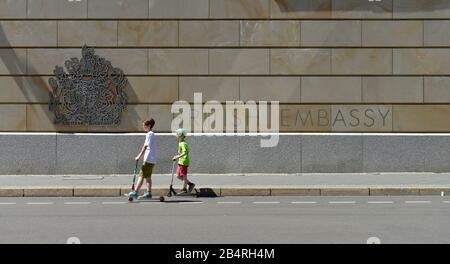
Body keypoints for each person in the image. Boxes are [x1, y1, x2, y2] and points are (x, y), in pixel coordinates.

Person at [128, 119, 156, 200]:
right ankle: (148, 193)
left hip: (148, 159)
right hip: (152, 159)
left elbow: (145, 146)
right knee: (148, 177)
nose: (143, 127)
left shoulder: (149, 134)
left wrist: (138, 156)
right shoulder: (152, 134)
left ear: (149, 126)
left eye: (145, 125)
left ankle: (135, 192)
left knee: (141, 175)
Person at [172, 128, 195, 193]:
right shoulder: (180, 143)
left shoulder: (183, 144)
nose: (177, 136)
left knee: (184, 176)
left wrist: (177, 157)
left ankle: (184, 188)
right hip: (180, 161)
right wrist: (177, 157)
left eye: (178, 134)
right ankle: (190, 184)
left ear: (181, 135)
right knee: (178, 176)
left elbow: (184, 152)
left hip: (184, 162)